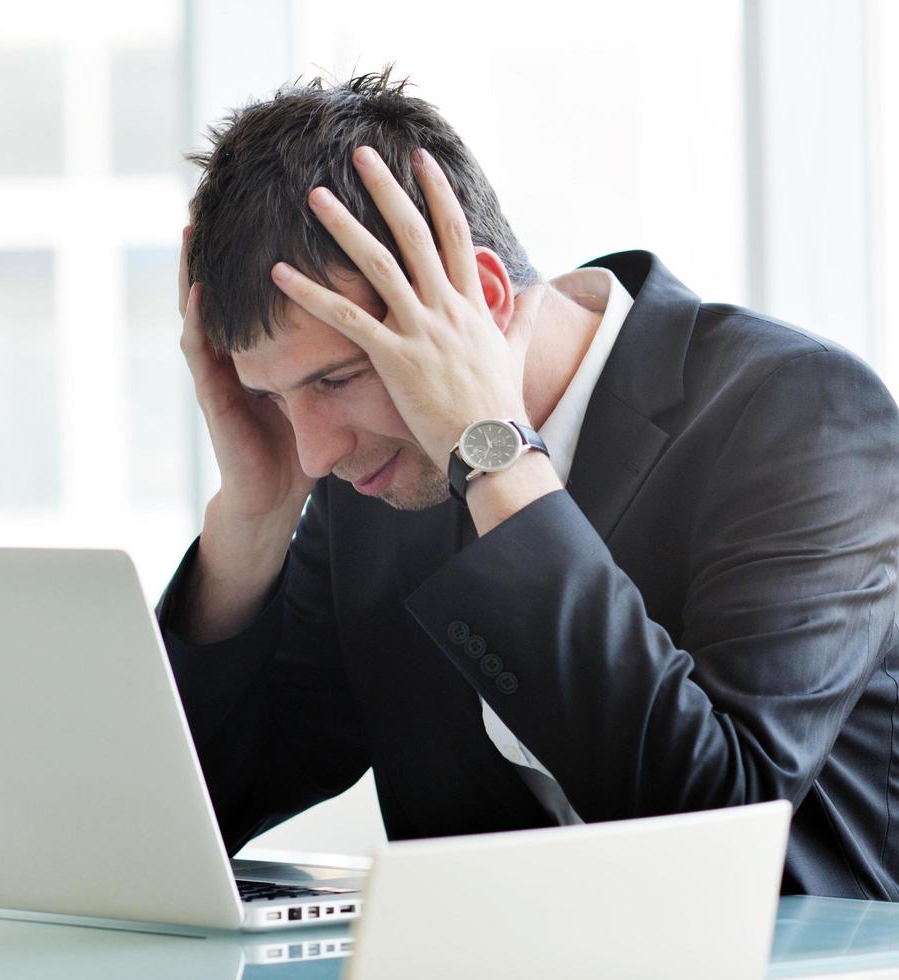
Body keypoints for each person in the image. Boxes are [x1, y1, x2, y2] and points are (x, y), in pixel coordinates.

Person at [157, 71, 899, 900]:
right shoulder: (370, 478)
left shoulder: (803, 414)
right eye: (272, 397)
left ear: (484, 300)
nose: (316, 451)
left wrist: (494, 458)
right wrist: (251, 525)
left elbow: (712, 823)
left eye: (336, 379)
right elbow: (179, 824)